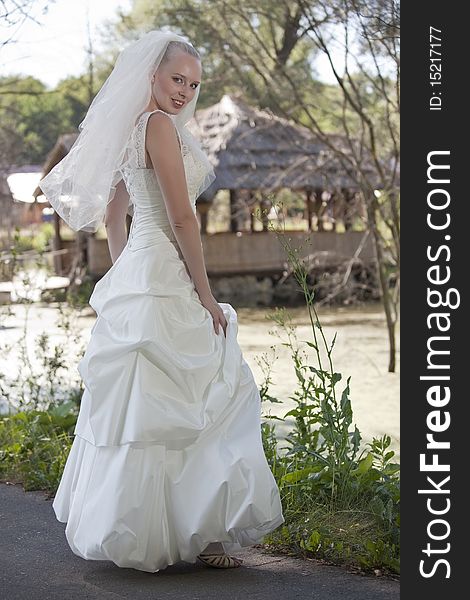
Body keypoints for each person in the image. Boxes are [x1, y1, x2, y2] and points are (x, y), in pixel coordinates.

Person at [39, 30, 284, 574]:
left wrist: (129, 268)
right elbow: (182, 217)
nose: (184, 90)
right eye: (177, 78)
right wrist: (205, 293)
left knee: (148, 404)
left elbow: (112, 215)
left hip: (144, 264)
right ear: (151, 72)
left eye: (193, 84)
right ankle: (204, 531)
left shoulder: (134, 128)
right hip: (168, 266)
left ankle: (152, 527)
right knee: (204, 387)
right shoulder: (158, 127)